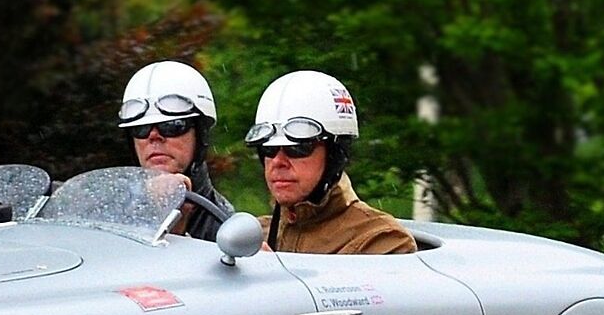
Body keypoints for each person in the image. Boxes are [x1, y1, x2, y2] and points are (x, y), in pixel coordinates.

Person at [244, 70, 416, 256]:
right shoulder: (252, 235)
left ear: (335, 155)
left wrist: (270, 274)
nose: (278, 161)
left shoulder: (382, 241)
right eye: (267, 149)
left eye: (298, 149)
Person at [117, 60, 234, 242]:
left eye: (172, 126)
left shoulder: (227, 230)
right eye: (140, 129)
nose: (154, 136)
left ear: (200, 135)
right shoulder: (107, 214)